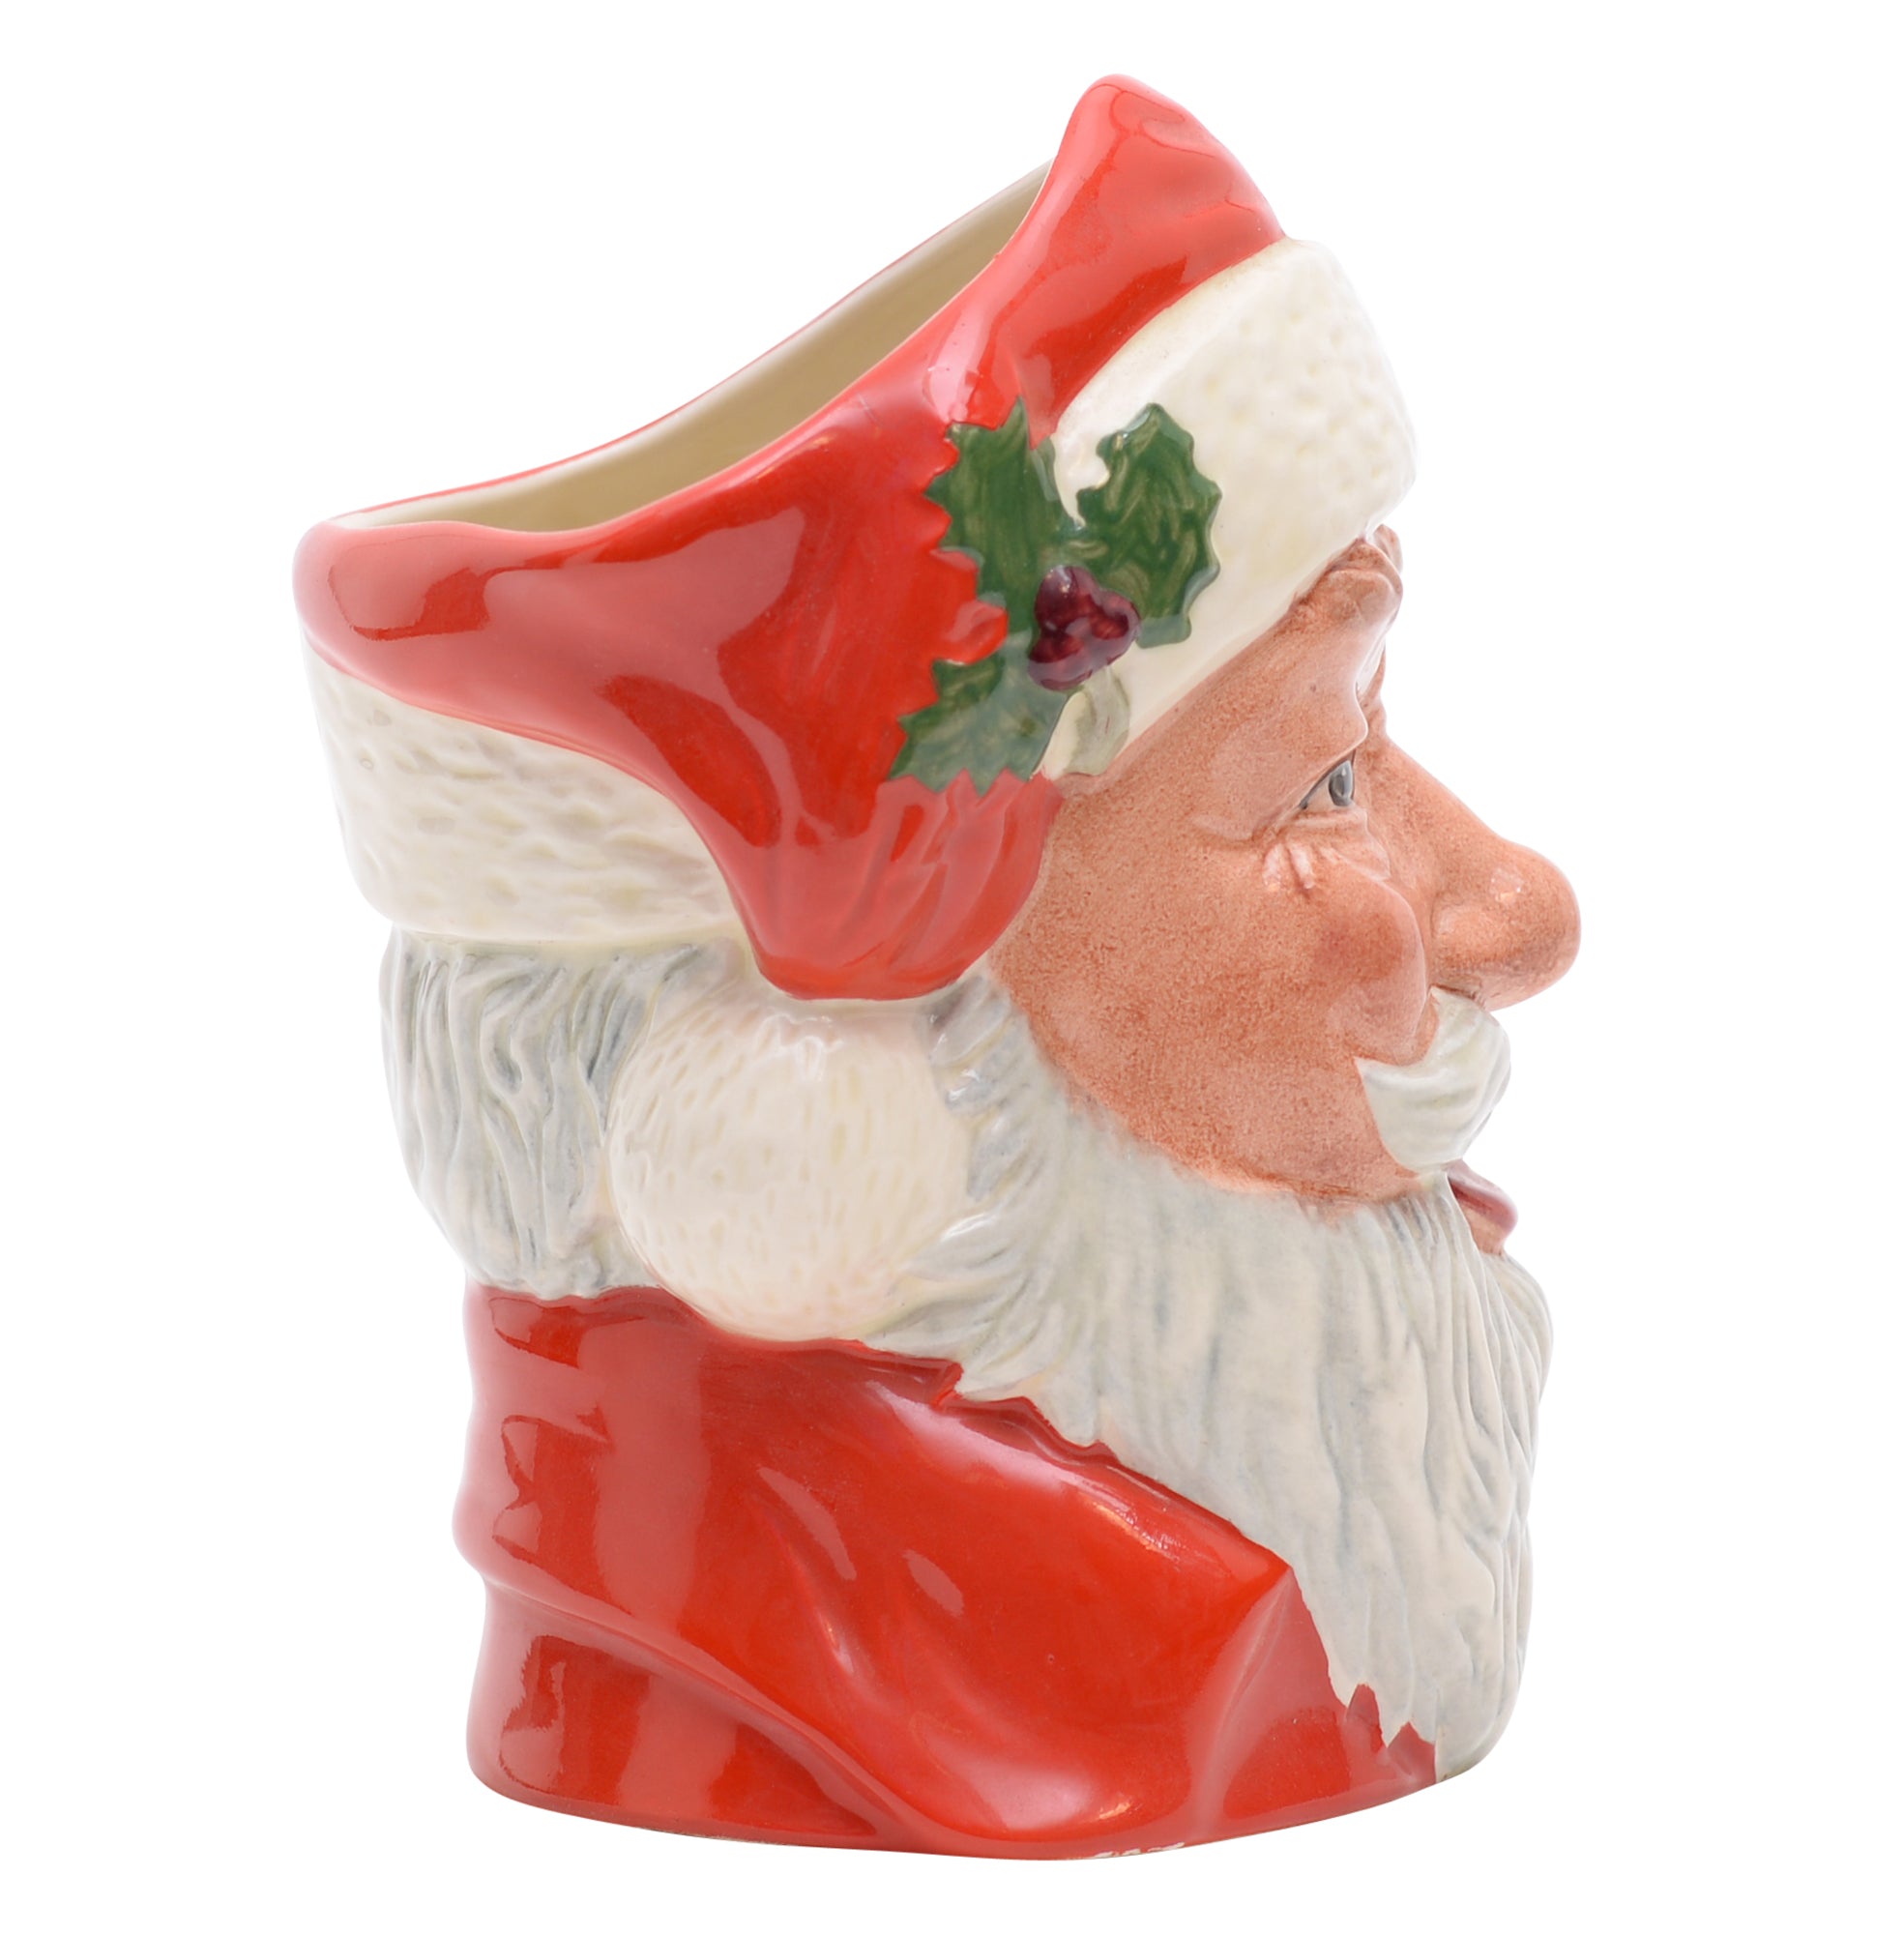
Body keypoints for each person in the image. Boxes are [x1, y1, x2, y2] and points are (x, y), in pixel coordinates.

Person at [298, 75, 1579, 1855]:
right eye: (1324, 784)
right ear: (862, 1103)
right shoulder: (1012, 1655)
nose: (1519, 914)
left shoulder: (1271, 1526)